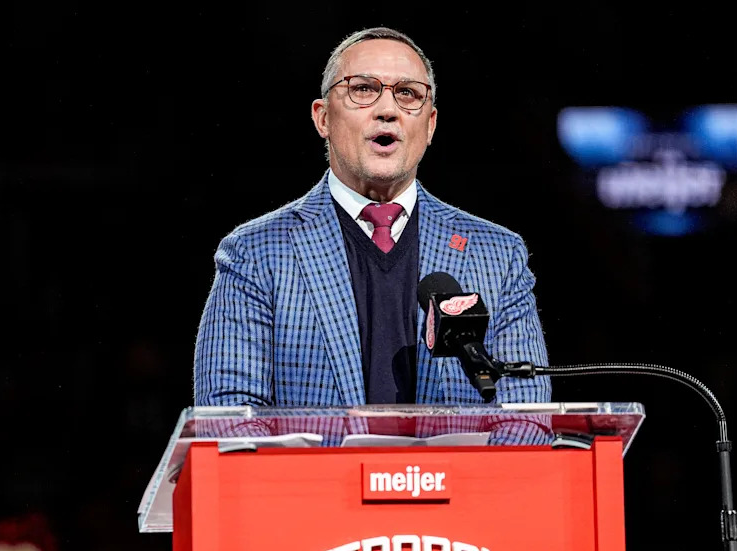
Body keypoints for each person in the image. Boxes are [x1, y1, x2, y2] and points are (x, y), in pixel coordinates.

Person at [193, 27, 551, 409]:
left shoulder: (497, 254)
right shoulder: (256, 253)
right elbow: (228, 418)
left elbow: (524, 415)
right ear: (323, 118)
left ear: (429, 125)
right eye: (363, 89)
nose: (387, 109)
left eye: (407, 93)